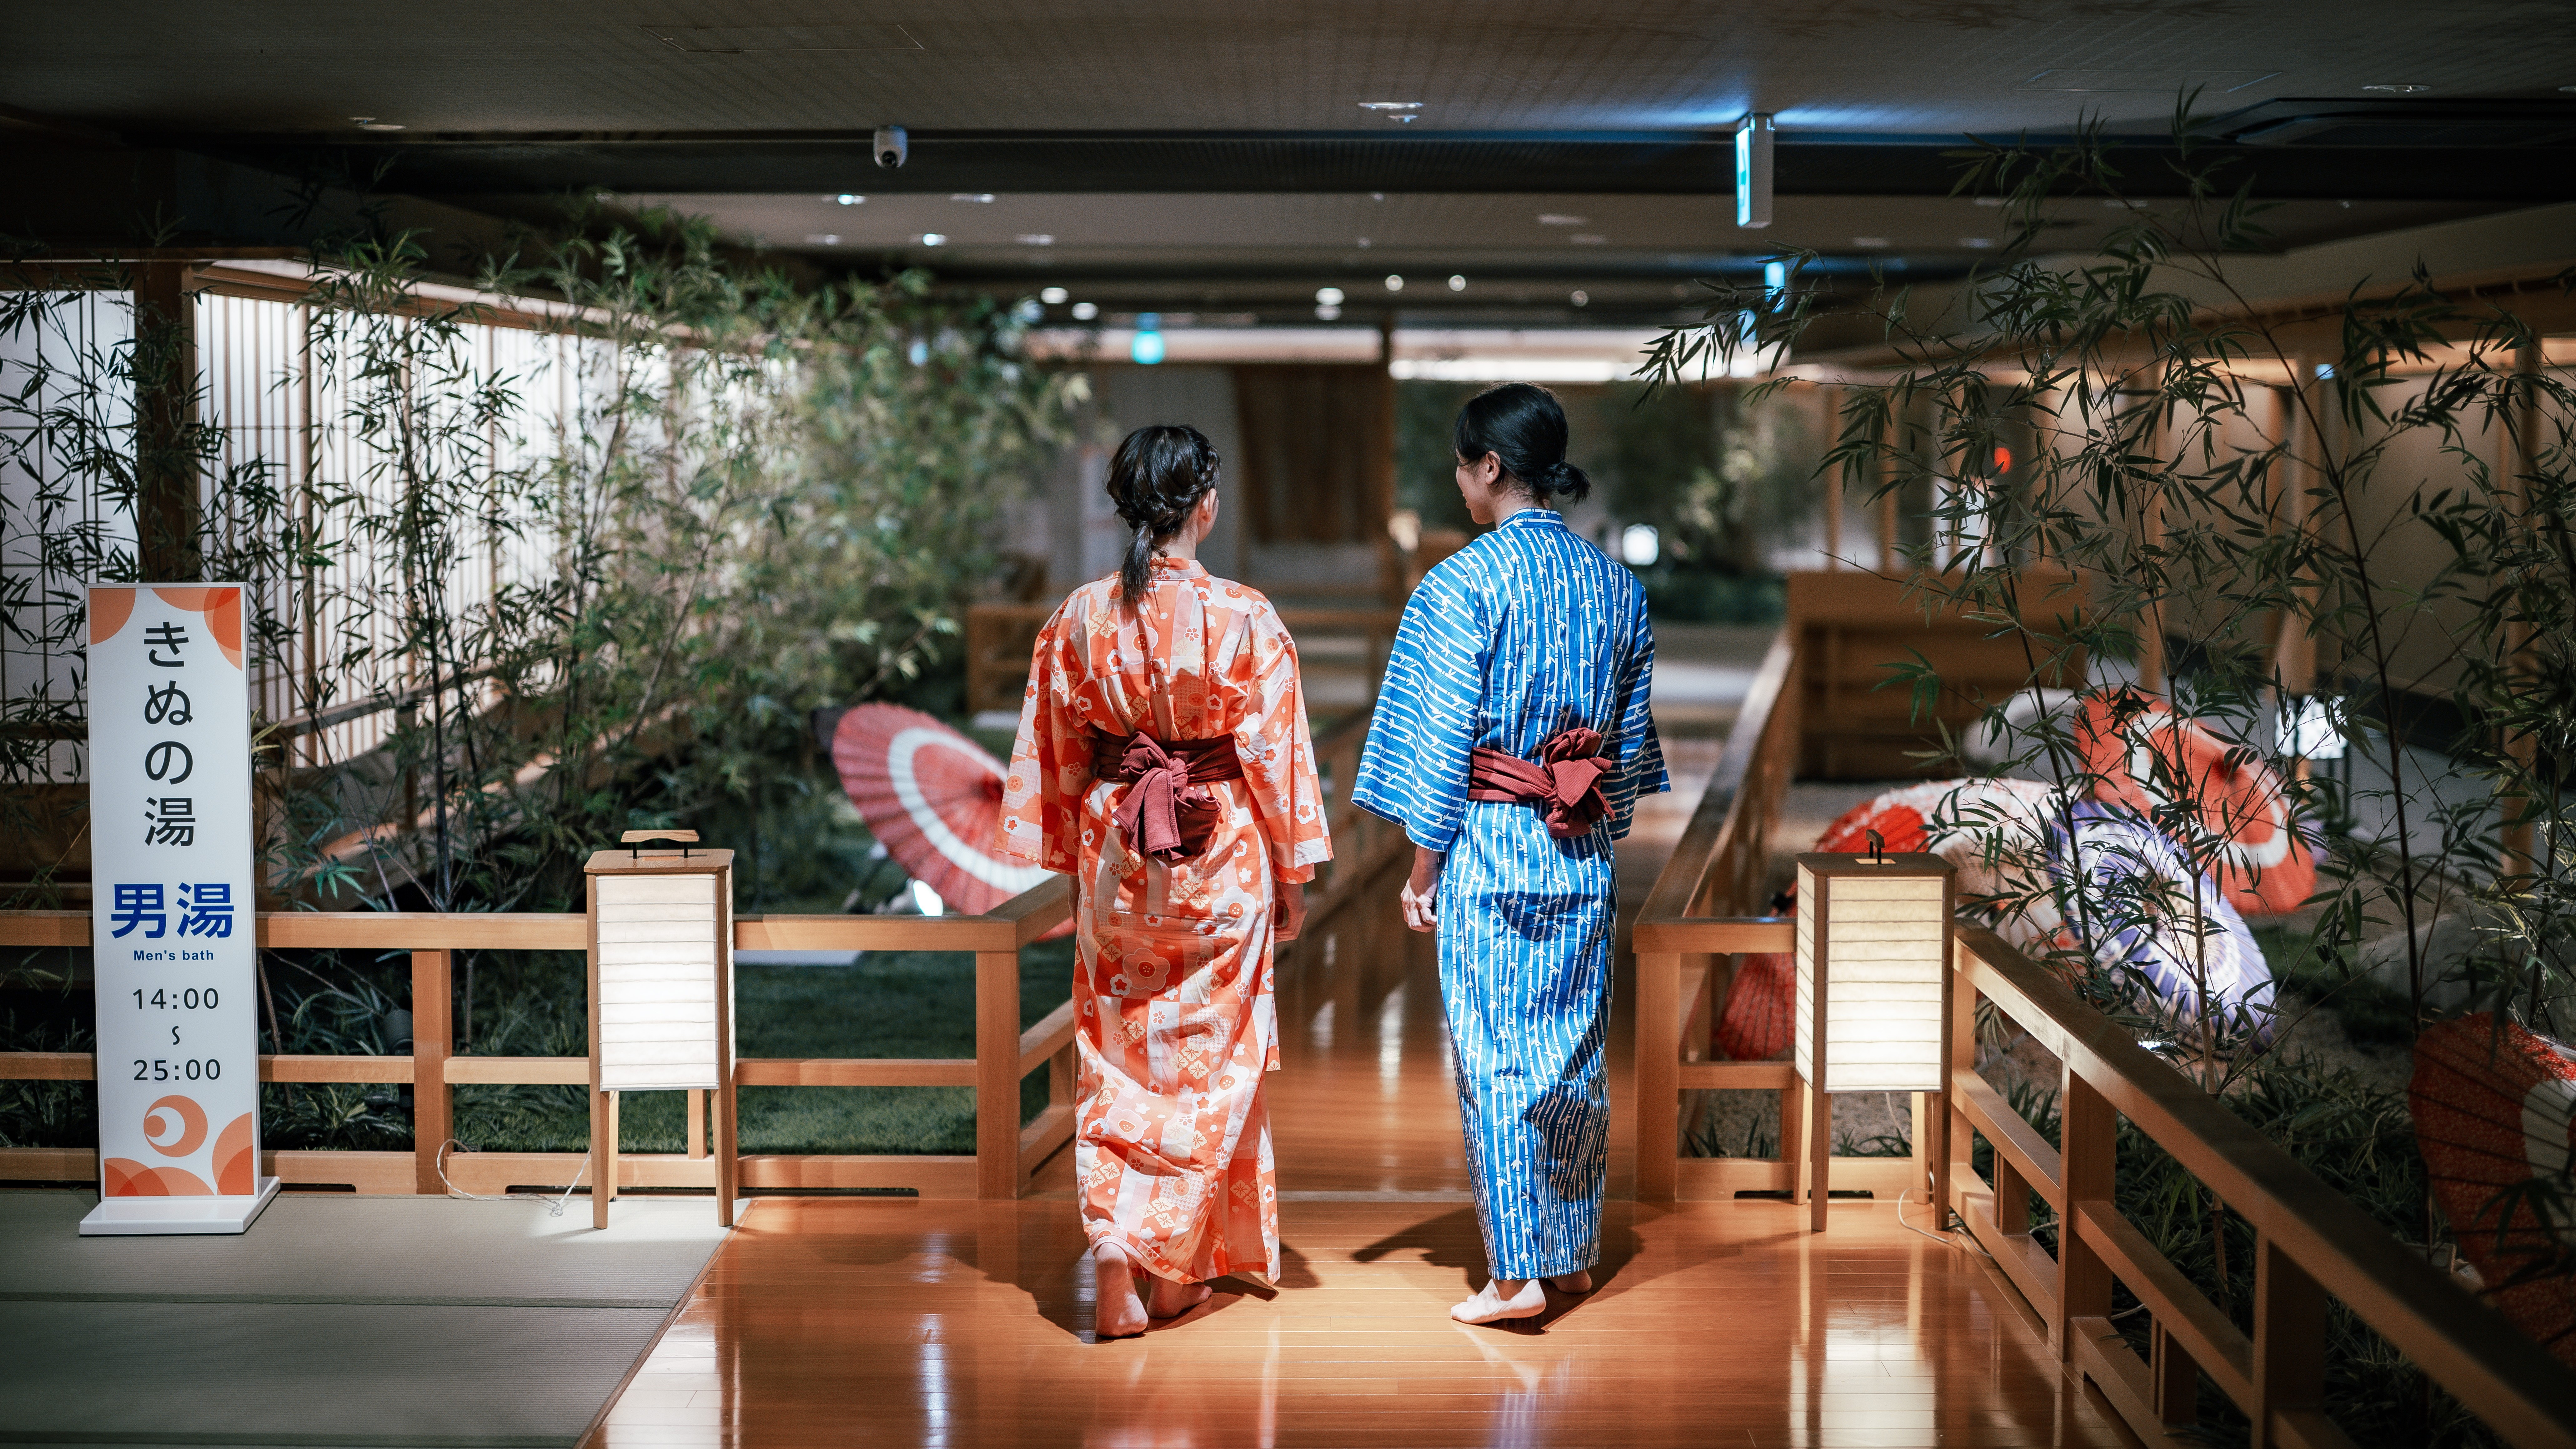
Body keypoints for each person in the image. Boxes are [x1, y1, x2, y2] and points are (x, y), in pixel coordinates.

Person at [996, 423, 1330, 1340]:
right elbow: (1272, 756)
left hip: (1119, 857)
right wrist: (1295, 872)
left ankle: (1122, 1250)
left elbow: (1057, 761)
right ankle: (1172, 1256)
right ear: (1205, 505)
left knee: (1116, 1052)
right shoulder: (1246, 617)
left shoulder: (1077, 618)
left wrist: (1075, 868)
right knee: (1213, 1063)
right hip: (1220, 860)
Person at [1350, 382, 1667, 1326]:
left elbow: (1441, 734)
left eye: (1462, 462)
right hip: (1576, 845)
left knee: (1495, 1054)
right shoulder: (1617, 585)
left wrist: (1421, 864)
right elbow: (1627, 743)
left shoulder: (1461, 583)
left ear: (1490, 466)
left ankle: (1517, 1269)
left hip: (1490, 840)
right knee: (1571, 1052)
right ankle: (1568, 1252)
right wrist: (1596, 832)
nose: (1458, 479)